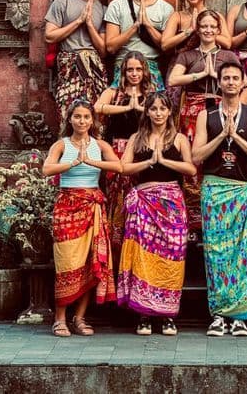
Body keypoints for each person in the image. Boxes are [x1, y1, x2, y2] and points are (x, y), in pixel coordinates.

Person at [192, 60, 247, 336]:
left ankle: (239, 316)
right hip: (215, 188)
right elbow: (196, 156)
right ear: (219, 83)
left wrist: (235, 138)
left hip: (243, 187)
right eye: (225, 78)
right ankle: (218, 314)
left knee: (243, 253)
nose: (230, 82)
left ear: (243, 83)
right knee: (216, 254)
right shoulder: (207, 116)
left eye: (235, 78)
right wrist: (221, 136)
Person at [117, 92, 195, 336]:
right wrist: (150, 161)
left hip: (171, 204)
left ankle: (168, 315)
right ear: (147, 112)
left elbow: (190, 168)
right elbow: (123, 168)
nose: (159, 113)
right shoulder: (136, 138)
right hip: (145, 204)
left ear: (169, 112)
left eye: (163, 109)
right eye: (154, 109)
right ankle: (145, 314)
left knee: (171, 256)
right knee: (144, 258)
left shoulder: (179, 139)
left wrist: (165, 161)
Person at [42, 99, 121, 337]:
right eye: (77, 117)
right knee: (66, 263)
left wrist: (90, 161)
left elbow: (118, 166)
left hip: (92, 206)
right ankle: (59, 319)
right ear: (70, 119)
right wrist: (74, 162)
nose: (82, 121)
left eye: (86, 117)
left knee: (90, 263)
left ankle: (79, 317)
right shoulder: (62, 145)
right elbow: (46, 169)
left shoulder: (99, 145)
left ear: (92, 120)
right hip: (67, 207)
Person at [168, 9, 240, 229]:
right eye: (204, 26)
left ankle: (218, 212)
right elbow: (173, 79)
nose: (208, 30)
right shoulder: (188, 55)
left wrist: (217, 76)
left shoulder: (228, 55)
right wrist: (201, 74)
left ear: (218, 30)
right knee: (193, 159)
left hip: (220, 107)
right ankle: (193, 220)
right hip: (192, 111)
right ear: (197, 30)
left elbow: (241, 81)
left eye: (212, 26)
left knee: (219, 153)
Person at [94, 51, 153, 254]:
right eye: (130, 69)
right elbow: (98, 107)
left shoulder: (150, 93)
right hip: (116, 150)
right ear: (124, 71)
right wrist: (128, 107)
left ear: (144, 70)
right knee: (117, 199)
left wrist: (141, 108)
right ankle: (116, 247)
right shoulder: (115, 92)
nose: (134, 73)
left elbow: (161, 113)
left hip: (141, 151)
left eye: (138, 69)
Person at [44, 0, 109, 124]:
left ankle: (93, 150)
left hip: (94, 67)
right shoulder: (63, 2)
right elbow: (49, 35)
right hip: (69, 63)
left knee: (95, 117)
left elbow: (103, 50)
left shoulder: (103, 10)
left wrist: (89, 24)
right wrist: (78, 21)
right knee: (67, 114)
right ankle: (68, 149)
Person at [105, 0, 174, 90]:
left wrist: (147, 25)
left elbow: (168, 48)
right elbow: (110, 47)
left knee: (156, 108)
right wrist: (135, 26)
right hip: (124, 65)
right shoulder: (117, 6)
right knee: (121, 108)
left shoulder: (165, 8)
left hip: (151, 66)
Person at [161, 0, 231, 55]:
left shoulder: (216, 16)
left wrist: (203, 30)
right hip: (182, 63)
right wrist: (189, 30)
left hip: (209, 62)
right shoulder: (177, 16)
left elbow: (228, 44)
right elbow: (164, 45)